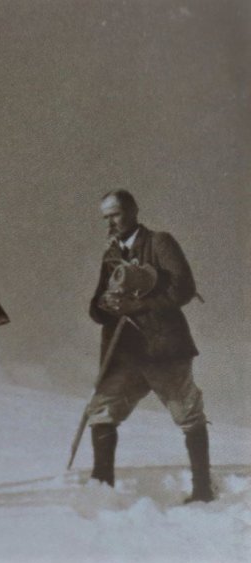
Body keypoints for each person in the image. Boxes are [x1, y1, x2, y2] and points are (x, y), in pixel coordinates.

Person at [87, 190, 214, 503]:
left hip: (163, 348)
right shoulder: (110, 255)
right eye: (106, 217)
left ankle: (202, 491)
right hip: (124, 353)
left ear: (132, 210)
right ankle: (101, 491)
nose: (110, 222)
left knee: (187, 413)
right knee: (102, 410)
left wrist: (137, 306)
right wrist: (106, 304)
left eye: (115, 214)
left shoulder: (159, 242)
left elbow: (183, 288)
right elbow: (97, 307)